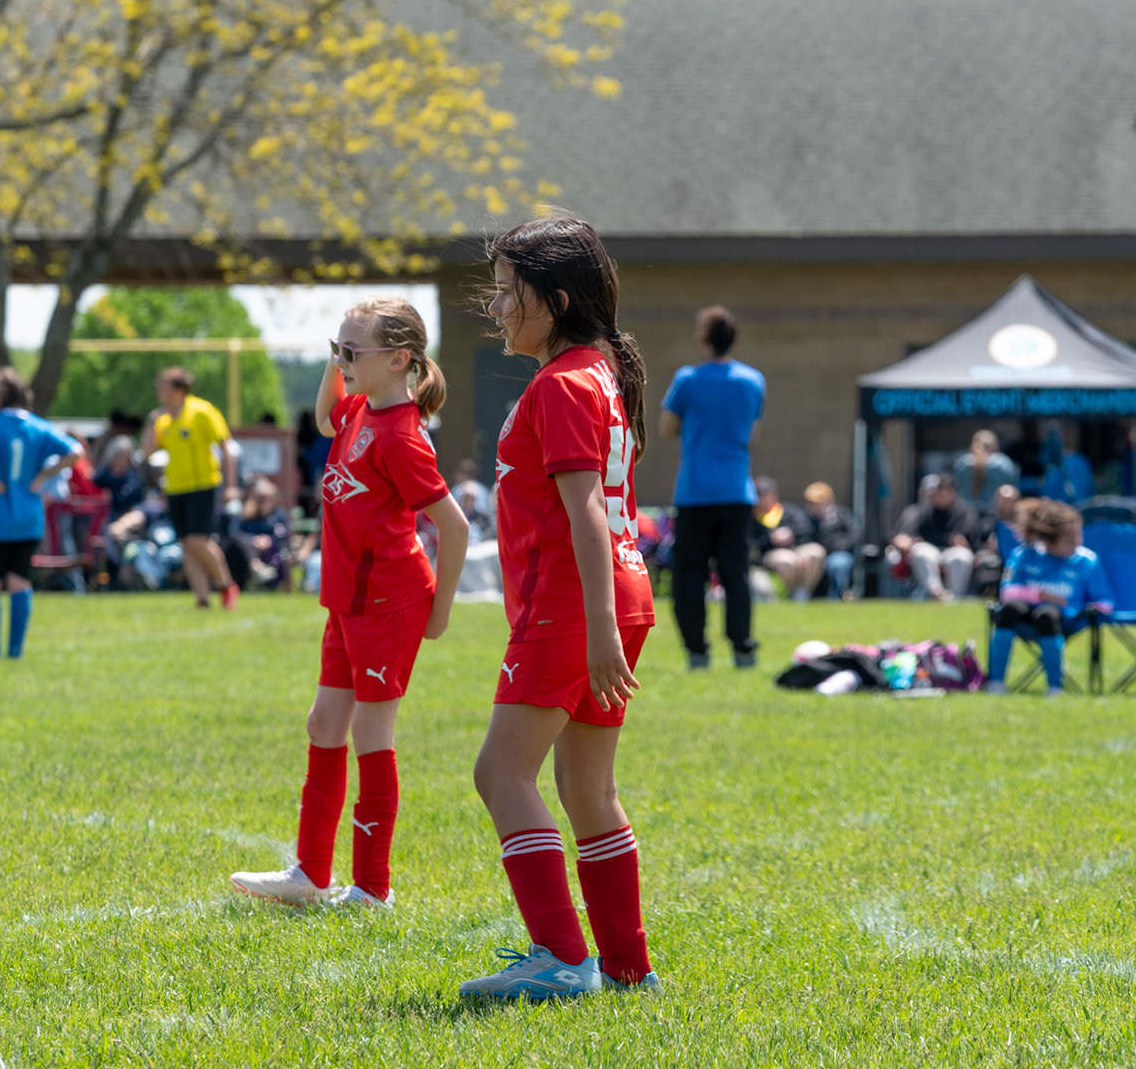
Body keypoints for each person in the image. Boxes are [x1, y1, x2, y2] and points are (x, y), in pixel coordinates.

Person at [460, 213, 658, 1000]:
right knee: (586, 789)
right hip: (610, 596)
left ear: (558, 299)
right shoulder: (593, 373)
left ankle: (562, 958)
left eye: (510, 291)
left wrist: (599, 629)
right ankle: (626, 968)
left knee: (501, 774)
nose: (497, 306)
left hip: (581, 604)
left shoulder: (565, 382)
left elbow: (583, 512)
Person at [230, 298, 468, 910]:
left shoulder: (404, 437)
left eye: (353, 352)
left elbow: (456, 526)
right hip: (349, 601)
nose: (343, 360)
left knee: (370, 731)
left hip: (389, 601)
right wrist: (338, 358)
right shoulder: (361, 407)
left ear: (399, 361)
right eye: (339, 349)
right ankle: (310, 877)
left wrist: (439, 613)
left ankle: (371, 888)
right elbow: (324, 417)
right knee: (324, 724)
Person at [662, 305, 764, 670]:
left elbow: (667, 427)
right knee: (735, 573)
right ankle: (742, 648)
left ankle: (697, 650)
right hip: (737, 491)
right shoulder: (753, 381)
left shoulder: (687, 380)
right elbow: (752, 435)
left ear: (703, 339)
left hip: (695, 493)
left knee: (690, 574)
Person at [0, 368, 81, 659]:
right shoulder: (38, 426)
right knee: (20, 580)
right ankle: (16, 651)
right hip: (30, 517)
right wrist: (45, 474)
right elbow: (76, 450)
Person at [984, 499, 1113, 696]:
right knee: (1008, 610)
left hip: (1062, 619)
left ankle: (1054, 687)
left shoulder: (1085, 561)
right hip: (1024, 614)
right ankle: (995, 684)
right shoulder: (1025, 555)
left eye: (1078, 535)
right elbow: (1007, 592)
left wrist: (1081, 607)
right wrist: (1041, 595)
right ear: (1048, 541)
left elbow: (1105, 602)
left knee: (1047, 615)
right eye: (1070, 539)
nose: (1078, 542)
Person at [143, 367, 241, 610]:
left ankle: (226, 585)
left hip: (204, 484)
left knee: (198, 540)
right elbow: (147, 451)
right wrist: (151, 422)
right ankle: (202, 599)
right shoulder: (163, 419)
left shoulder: (201, 411)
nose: (159, 390)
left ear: (178, 389)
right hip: (175, 488)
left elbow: (227, 447)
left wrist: (231, 486)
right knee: (186, 543)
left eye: (163, 385)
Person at [891, 473, 979, 600]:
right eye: (938, 491)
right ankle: (936, 593)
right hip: (931, 549)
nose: (940, 496)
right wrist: (905, 539)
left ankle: (955, 597)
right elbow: (912, 533)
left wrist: (954, 540)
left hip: (953, 552)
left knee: (960, 556)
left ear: (952, 492)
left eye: (945, 491)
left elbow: (967, 536)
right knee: (921, 552)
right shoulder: (924, 510)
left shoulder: (965, 512)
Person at [752, 476, 822, 600]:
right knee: (787, 560)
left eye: (763, 494)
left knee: (815, 551)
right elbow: (752, 545)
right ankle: (792, 596)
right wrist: (770, 538)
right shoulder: (750, 517)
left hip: (796, 549)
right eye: (757, 494)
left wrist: (791, 534)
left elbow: (807, 532)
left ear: (774, 494)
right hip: (770, 555)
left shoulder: (789, 511)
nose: (759, 498)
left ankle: (803, 595)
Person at [802, 481, 859, 600]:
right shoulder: (807, 519)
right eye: (811, 503)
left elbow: (854, 536)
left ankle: (834, 599)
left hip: (838, 552)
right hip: (816, 555)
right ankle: (804, 597)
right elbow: (804, 538)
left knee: (838, 564)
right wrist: (817, 520)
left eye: (817, 502)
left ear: (828, 500)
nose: (814, 506)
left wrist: (833, 546)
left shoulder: (842, 515)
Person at [235, 478, 292, 589]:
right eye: (259, 498)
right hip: (249, 549)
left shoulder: (279, 514)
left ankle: (286, 588)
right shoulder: (245, 514)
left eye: (266, 498)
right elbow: (235, 533)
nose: (262, 501)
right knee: (241, 545)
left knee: (286, 554)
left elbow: (285, 533)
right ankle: (257, 567)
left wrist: (269, 540)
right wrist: (253, 540)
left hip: (274, 550)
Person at [953, 429, 1019, 511]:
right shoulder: (1003, 464)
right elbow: (1013, 490)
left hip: (967, 516)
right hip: (995, 516)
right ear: (994, 446)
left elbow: (957, 490)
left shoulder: (962, 464)